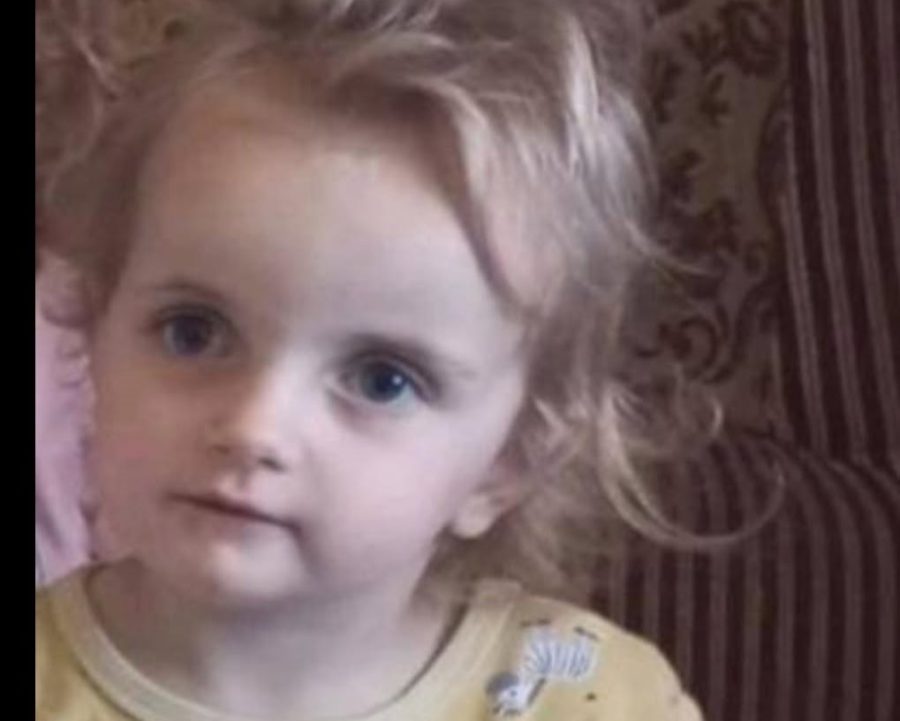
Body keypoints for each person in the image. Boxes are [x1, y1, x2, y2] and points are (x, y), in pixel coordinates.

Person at [35, 1, 704, 718]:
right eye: (193, 332)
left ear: (511, 459)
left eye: (383, 380)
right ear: (96, 330)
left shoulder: (591, 696)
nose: (255, 427)